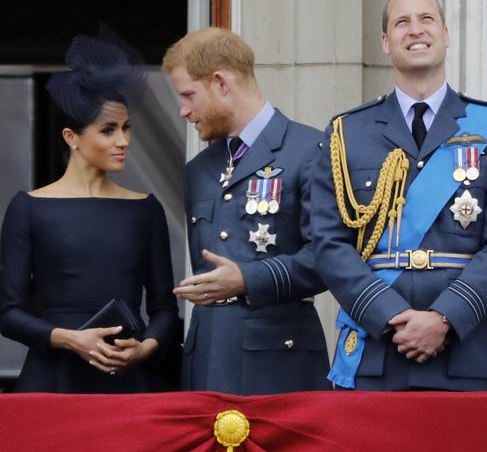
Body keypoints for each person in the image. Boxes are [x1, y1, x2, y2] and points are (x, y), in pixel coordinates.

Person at [311, 0, 487, 391]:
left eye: (426, 19)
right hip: (377, 349)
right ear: (385, 42)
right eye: (402, 22)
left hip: (466, 351)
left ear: (445, 33)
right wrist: (390, 316)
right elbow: (328, 242)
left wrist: (444, 318)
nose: (416, 30)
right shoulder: (347, 133)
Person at [0, 33, 179, 393]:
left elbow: (165, 311)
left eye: (126, 128)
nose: (123, 141)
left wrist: (145, 348)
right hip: (54, 381)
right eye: (108, 130)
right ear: (71, 137)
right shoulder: (29, 207)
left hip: (130, 381)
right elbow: (7, 314)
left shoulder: (146, 209)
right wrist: (68, 339)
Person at [162, 27, 330, 395]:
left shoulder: (311, 149)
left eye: (189, 95)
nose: (184, 110)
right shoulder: (199, 169)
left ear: (220, 83)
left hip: (279, 361)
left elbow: (328, 258)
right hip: (205, 357)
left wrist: (247, 279)